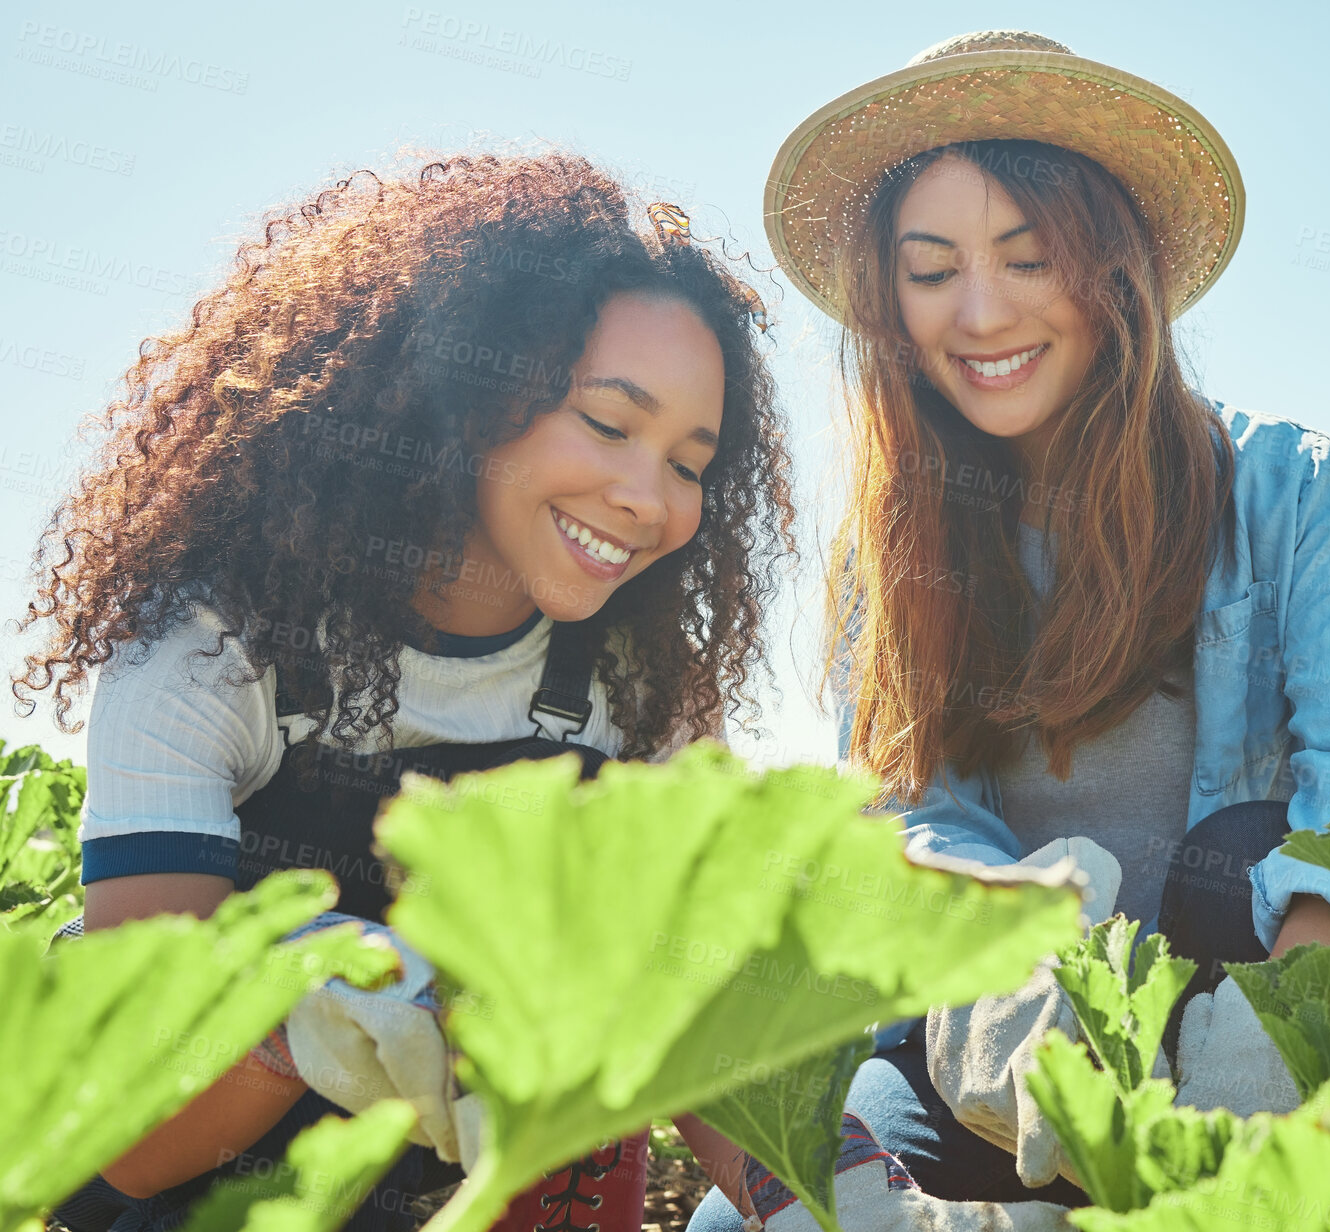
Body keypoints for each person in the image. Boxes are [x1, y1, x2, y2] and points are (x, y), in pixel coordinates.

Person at [689, 29, 1330, 1229]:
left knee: (1238, 843)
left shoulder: (1290, 487)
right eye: (931, 271)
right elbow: (914, 818)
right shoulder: (892, 546)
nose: (979, 314)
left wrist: (1255, 1077)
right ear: (889, 300)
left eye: (1027, 258)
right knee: (761, 1221)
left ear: (1110, 268)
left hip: (1249, 987)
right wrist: (1019, 1020)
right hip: (1007, 1025)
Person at [12, 151, 795, 1232]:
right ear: (463, 398)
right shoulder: (213, 648)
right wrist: (299, 1021)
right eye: (609, 425)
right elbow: (130, 1140)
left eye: (689, 462)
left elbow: (711, 1009)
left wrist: (821, 1190)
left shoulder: (639, 684)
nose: (644, 499)